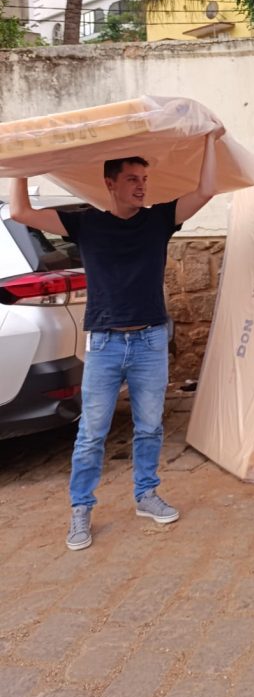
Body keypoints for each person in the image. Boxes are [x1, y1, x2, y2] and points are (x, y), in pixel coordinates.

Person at [10, 130, 223, 550]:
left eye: (143, 179)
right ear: (109, 183)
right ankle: (80, 510)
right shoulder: (85, 224)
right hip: (105, 343)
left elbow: (208, 189)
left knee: (149, 427)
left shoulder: (160, 219)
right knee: (91, 432)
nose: (141, 186)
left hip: (149, 342)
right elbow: (20, 211)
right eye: (132, 179)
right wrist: (21, 163)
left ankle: (146, 495)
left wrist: (211, 141)